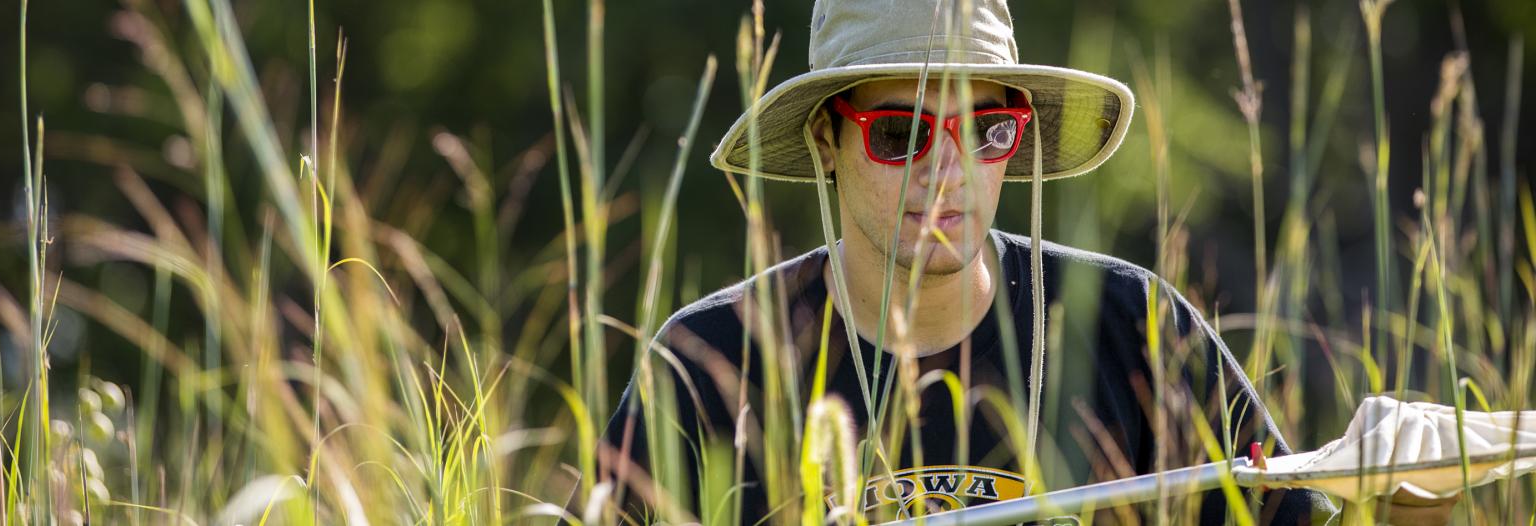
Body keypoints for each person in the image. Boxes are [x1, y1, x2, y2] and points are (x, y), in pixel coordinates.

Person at [598, 0, 1454, 523]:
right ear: (827, 137)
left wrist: (1416, 500)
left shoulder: (1132, 327)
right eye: (901, 133)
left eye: (987, 128)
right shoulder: (709, 363)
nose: (949, 166)